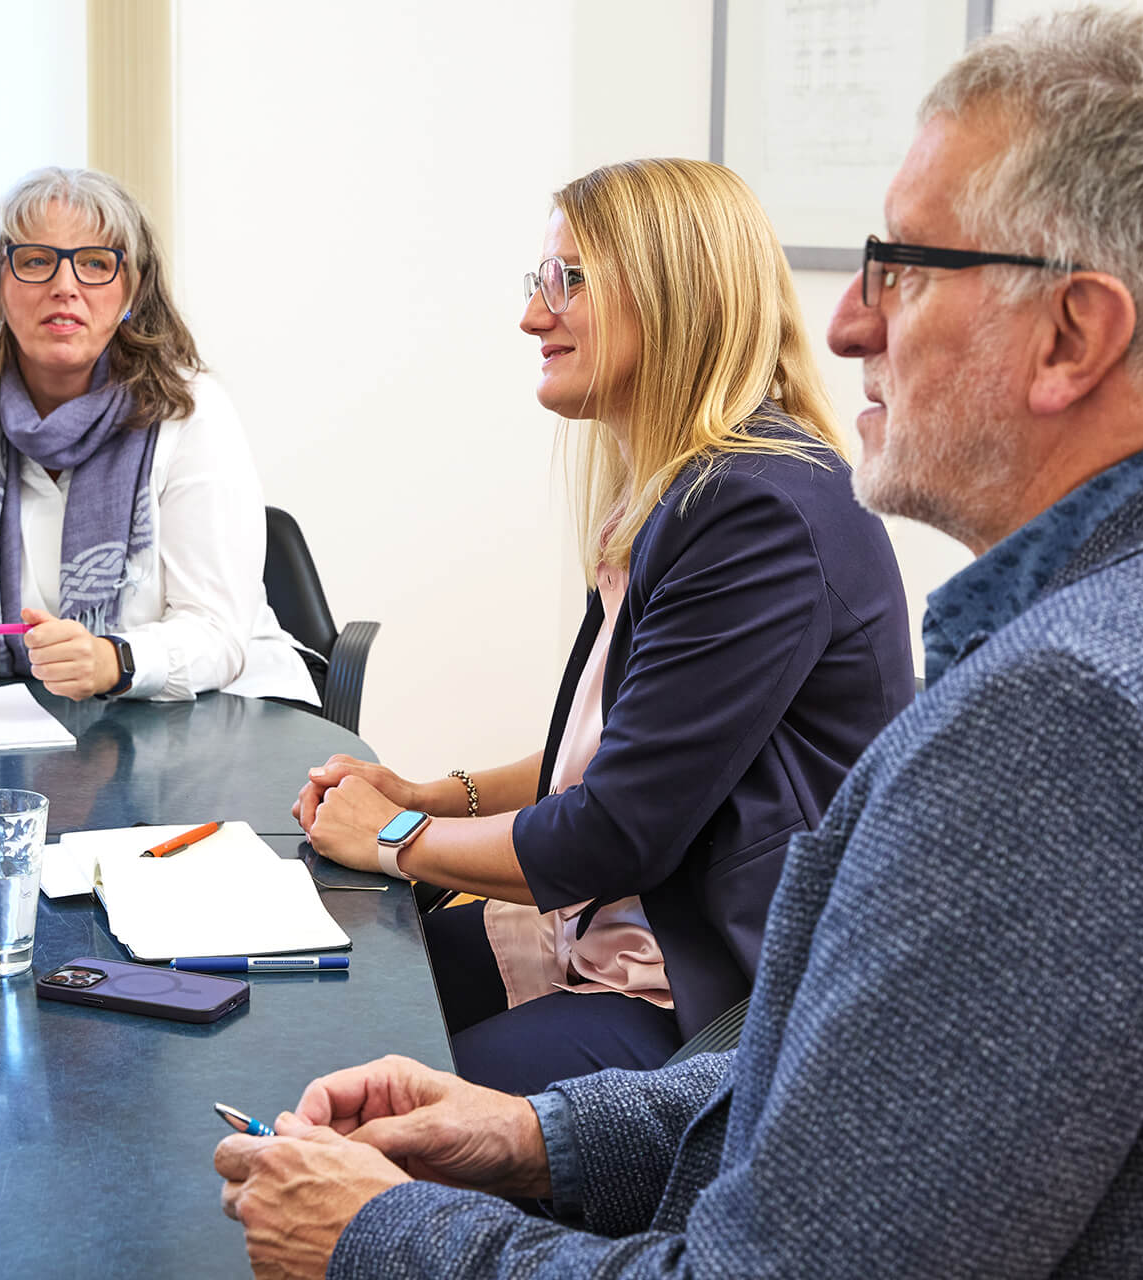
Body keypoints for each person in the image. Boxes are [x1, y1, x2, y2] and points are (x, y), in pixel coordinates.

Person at [216, 11, 1143, 1277]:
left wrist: (383, 1238)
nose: (845, 324)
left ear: (1073, 334)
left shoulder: (1078, 714)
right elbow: (869, 1110)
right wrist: (536, 1137)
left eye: (898, 268)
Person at [294, 157, 914, 1095]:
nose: (532, 316)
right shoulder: (679, 494)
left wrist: (393, 836)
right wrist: (424, 794)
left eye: (566, 281)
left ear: (674, 294)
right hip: (610, 933)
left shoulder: (758, 510)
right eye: (538, 282)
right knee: (328, 1007)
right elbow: (609, 760)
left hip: (710, 997)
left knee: (377, 1107)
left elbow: (612, 831)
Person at [0, 166, 316, 707]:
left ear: (131, 290)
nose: (64, 287)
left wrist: (113, 660)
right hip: (5, 727)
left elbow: (215, 629)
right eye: (36, 261)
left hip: (209, 714)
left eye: (95, 263)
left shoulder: (191, 410)